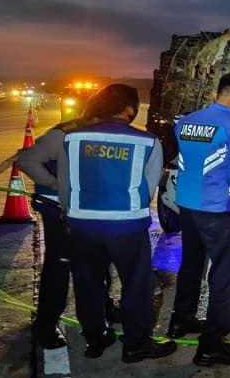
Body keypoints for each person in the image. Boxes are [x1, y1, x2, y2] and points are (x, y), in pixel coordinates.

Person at [58, 84, 177, 362]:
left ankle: (95, 339)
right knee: (137, 284)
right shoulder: (148, 142)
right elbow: (147, 191)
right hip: (126, 226)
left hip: (83, 224)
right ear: (129, 109)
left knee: (88, 283)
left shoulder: (72, 138)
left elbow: (65, 185)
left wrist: (70, 215)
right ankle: (136, 345)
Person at [168, 70, 230, 366]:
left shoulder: (185, 122)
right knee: (224, 276)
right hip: (215, 209)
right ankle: (211, 345)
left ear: (217, 93)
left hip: (187, 203)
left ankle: (181, 320)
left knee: (191, 264)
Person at [17, 102, 120, 349]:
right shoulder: (63, 134)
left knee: (98, 261)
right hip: (57, 209)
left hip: (83, 208)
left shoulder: (93, 133)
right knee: (60, 266)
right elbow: (27, 161)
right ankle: (45, 326)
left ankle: (104, 309)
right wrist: (57, 185)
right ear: (96, 116)